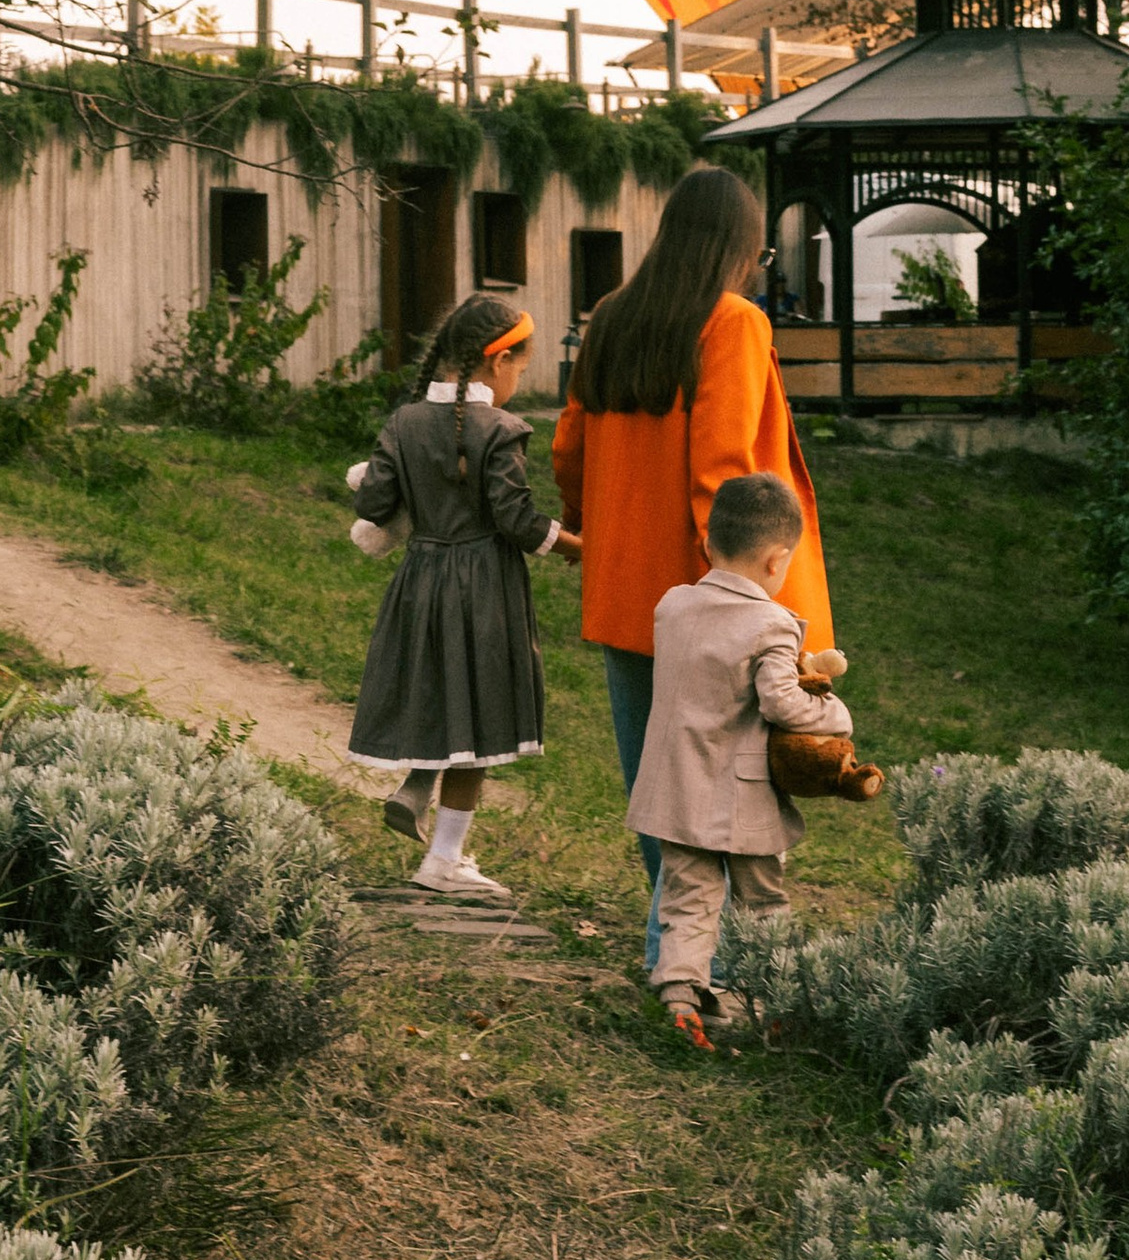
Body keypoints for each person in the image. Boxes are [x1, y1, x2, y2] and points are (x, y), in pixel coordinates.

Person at [552, 161, 832, 970]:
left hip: (626, 593)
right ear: (739, 247)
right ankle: (710, 966)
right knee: (728, 790)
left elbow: (569, 447)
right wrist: (745, 596)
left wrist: (592, 529)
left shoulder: (611, 316)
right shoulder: (731, 322)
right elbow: (725, 472)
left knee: (657, 786)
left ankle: (674, 953)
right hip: (710, 599)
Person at [345, 294, 580, 898]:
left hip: (421, 580)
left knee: (441, 690)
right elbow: (516, 519)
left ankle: (418, 787)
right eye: (521, 368)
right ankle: (444, 859)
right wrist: (578, 546)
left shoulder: (403, 423)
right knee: (480, 712)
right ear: (499, 362)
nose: (518, 381)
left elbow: (374, 502)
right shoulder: (501, 430)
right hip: (484, 589)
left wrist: (376, 478)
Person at [630, 470, 851, 1044]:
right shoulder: (771, 623)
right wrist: (835, 714)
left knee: (688, 898)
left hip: (676, 789)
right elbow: (782, 703)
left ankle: (681, 996)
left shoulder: (673, 605)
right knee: (762, 901)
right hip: (741, 796)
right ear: (778, 561)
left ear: (708, 544)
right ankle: (778, 1003)